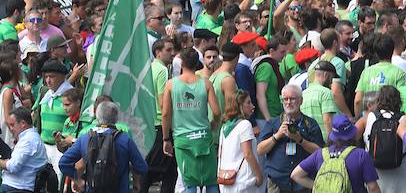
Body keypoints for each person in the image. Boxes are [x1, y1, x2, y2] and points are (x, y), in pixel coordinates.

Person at [162, 47, 220, 193]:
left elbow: (165, 114)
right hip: (203, 137)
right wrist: (212, 125)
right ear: (197, 64)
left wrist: (166, 138)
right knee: (211, 181)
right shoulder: (206, 83)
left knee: (190, 183)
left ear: (181, 64)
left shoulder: (171, 84)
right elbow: (217, 112)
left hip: (183, 139)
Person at [57, 102, 149, 193]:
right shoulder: (125, 139)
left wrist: (78, 180)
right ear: (116, 118)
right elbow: (142, 167)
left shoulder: (85, 138)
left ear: (97, 117)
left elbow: (63, 163)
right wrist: (136, 181)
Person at [258, 84, 325, 193]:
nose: (288, 102)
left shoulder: (310, 124)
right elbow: (260, 150)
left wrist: (300, 140)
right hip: (277, 181)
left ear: (301, 101)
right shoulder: (273, 123)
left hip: (302, 181)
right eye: (285, 99)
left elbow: (319, 151)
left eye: (292, 99)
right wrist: (277, 135)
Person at [291, 114, 383, 193]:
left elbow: (295, 175)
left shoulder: (320, 154)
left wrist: (322, 187)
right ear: (352, 133)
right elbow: (373, 188)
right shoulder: (361, 155)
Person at [219, 92, 266, 193]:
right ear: (239, 106)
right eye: (248, 103)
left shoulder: (224, 127)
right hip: (243, 181)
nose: (252, 106)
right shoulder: (245, 124)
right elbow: (248, 154)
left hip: (226, 181)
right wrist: (259, 175)